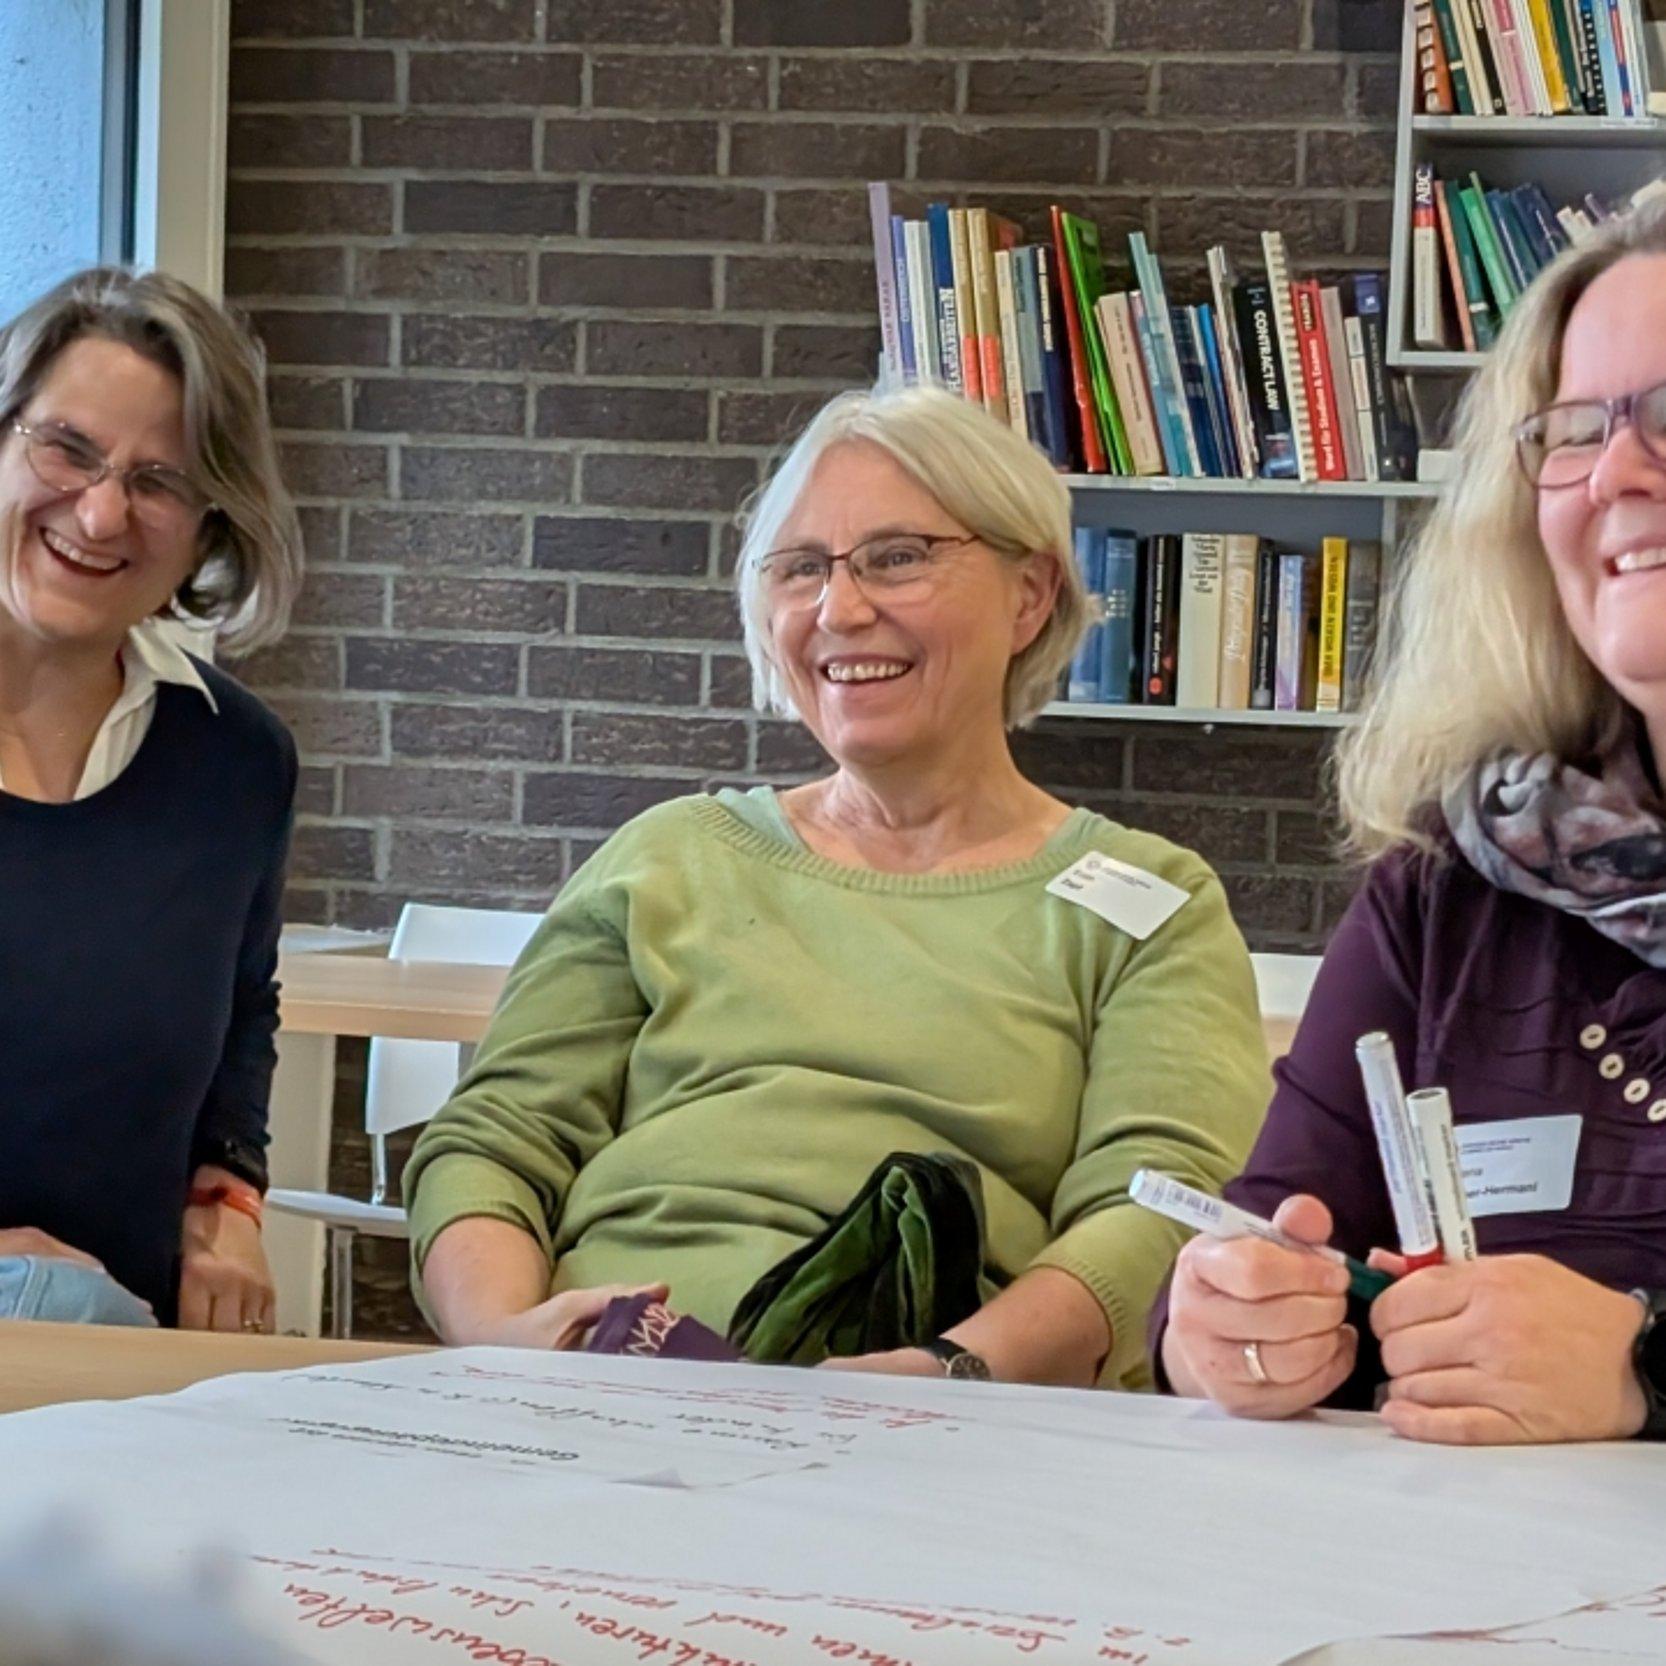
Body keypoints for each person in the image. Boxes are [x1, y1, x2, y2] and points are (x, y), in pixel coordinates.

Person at [405, 383, 1270, 1388]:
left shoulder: (1150, 905)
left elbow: (1158, 1203)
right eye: (801, 568)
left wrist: (948, 1370)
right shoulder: (669, 856)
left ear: (1030, 594)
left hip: (939, 1431)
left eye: (897, 557)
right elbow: (495, 1143)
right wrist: (509, 1339)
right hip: (594, 1395)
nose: (838, 608)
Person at [1157, 193, 1666, 1444]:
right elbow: (1280, 1229)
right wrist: (1237, 1325)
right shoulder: (1454, 884)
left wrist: (1644, 1370)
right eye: (1572, 431)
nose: (1613, 473)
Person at [0, 267, 303, 1333]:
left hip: (123, 1377)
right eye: (67, 449)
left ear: (207, 523)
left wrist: (227, 1196)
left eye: (158, 480)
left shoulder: (240, 763)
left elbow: (242, 1007)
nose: (99, 510)